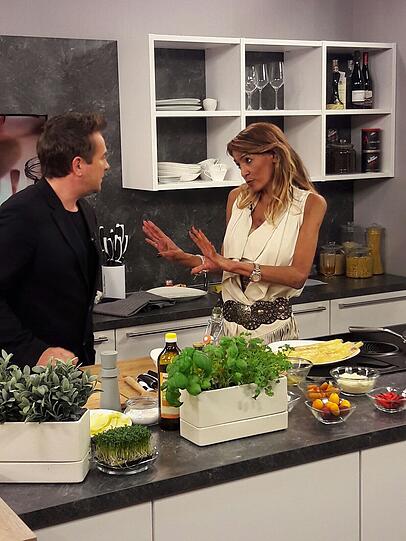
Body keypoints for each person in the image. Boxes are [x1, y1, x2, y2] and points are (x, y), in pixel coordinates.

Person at [143, 122, 326, 343]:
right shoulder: (237, 199)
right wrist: (183, 257)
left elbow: (297, 277)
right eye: (238, 164)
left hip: (276, 337)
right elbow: (224, 265)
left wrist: (232, 265)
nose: (243, 171)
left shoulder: (309, 204)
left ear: (275, 155)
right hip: (227, 334)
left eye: (248, 160)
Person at [0, 112, 110, 367]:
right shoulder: (21, 214)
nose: (107, 166)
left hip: (76, 369)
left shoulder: (86, 212)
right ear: (78, 165)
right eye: (103, 157)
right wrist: (32, 351)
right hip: (29, 376)